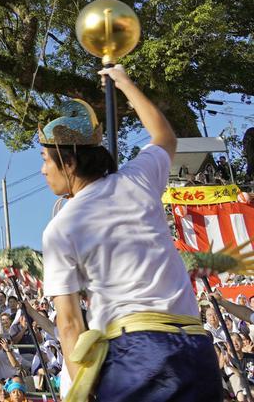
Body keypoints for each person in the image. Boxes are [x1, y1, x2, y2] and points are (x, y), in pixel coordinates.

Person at [40, 65, 220, 401]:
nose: (42, 170)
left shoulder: (60, 228)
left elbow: (68, 323)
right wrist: (124, 82)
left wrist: (82, 391)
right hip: (195, 347)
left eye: (46, 159)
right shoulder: (138, 177)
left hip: (135, 352)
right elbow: (165, 136)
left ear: (70, 163)